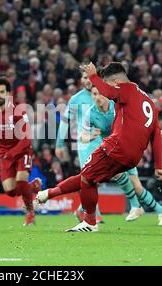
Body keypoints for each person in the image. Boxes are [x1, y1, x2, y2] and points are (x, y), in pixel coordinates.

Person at [37, 62, 162, 232]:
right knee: (89, 176)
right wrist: (158, 166)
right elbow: (156, 134)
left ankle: (90, 222)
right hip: (134, 156)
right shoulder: (148, 101)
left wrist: (93, 76)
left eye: (104, 83)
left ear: (115, 82)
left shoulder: (126, 89)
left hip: (117, 147)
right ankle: (49, 194)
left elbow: (109, 92)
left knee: (86, 176)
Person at [78, 86, 162, 225]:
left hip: (128, 148)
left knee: (137, 187)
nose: (97, 97)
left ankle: (160, 211)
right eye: (94, 94)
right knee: (118, 175)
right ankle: (138, 207)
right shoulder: (90, 114)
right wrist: (89, 137)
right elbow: (82, 136)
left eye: (100, 93)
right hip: (113, 151)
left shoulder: (117, 107)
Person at [0, 78, 41, 226]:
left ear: (8, 93)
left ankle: (30, 213)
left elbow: (27, 139)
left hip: (22, 151)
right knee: (10, 191)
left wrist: (13, 153)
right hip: (4, 154)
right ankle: (33, 186)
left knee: (21, 180)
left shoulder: (18, 110)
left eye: (2, 92)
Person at [54, 71, 105, 223]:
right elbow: (65, 122)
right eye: (85, 77)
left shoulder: (105, 95)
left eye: (91, 77)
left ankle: (81, 209)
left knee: (98, 178)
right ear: (81, 80)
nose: (88, 81)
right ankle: (94, 212)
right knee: (90, 178)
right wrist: (59, 144)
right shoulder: (76, 99)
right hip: (85, 143)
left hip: (103, 142)